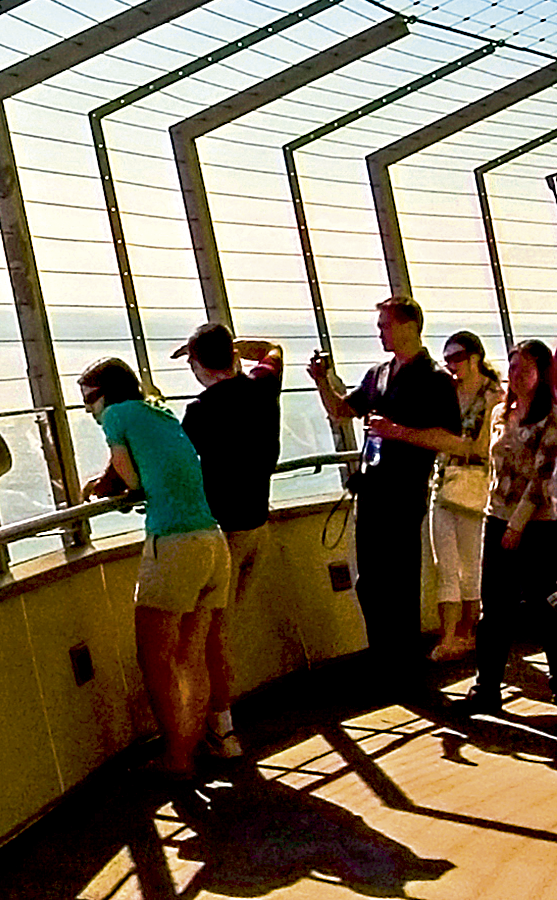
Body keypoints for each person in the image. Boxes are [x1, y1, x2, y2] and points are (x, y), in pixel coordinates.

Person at [79, 355, 227, 777]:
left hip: (174, 542)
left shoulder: (117, 416)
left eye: (90, 399)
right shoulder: (156, 410)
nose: (89, 410)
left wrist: (103, 485)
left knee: (154, 657)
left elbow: (132, 480)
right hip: (211, 539)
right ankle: (192, 745)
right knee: (192, 655)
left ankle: (176, 759)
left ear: (107, 395)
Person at [305, 296, 460, 684]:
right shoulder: (378, 374)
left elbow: (451, 438)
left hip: (405, 493)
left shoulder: (436, 380)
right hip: (373, 491)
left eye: (385, 325)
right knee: (371, 581)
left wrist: (398, 433)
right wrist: (322, 381)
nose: (379, 333)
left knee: (400, 579)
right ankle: (383, 659)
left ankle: (405, 665)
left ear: (409, 326)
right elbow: (343, 409)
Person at [172, 322, 282, 759]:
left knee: (212, 637)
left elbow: (177, 467)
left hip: (225, 535)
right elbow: (273, 348)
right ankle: (216, 722)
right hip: (258, 525)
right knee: (221, 632)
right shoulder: (261, 387)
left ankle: (222, 730)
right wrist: (234, 347)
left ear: (198, 364)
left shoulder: (200, 412)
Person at [465, 339, 557, 716]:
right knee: (495, 608)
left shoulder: (552, 418)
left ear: (541, 374)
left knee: (544, 606)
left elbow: (541, 477)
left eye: (524, 369)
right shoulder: (500, 414)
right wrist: (496, 514)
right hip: (498, 516)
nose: (515, 375)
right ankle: (487, 686)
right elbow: (494, 467)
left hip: (538, 524)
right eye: (513, 367)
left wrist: (517, 524)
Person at [431, 331, 503, 661]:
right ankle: (449, 636)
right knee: (444, 563)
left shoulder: (495, 398)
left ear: (475, 357)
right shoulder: (448, 393)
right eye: (447, 360)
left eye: (457, 357)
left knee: (471, 565)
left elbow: (487, 446)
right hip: (445, 482)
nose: (452, 365)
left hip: (476, 486)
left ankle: (467, 633)